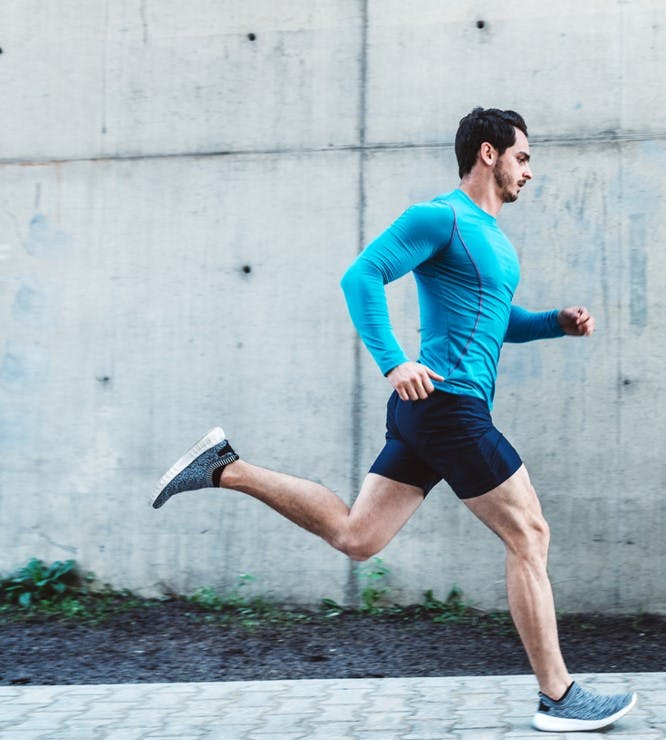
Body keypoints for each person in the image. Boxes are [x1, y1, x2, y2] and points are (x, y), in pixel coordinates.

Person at [152, 107, 637, 733]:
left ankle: (226, 467)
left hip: (432, 411)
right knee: (530, 535)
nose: (530, 172)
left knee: (358, 537)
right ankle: (559, 696)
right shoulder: (441, 217)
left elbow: (495, 320)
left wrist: (553, 324)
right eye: (523, 157)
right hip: (447, 406)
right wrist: (393, 362)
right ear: (487, 154)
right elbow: (362, 276)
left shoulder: (495, 240)